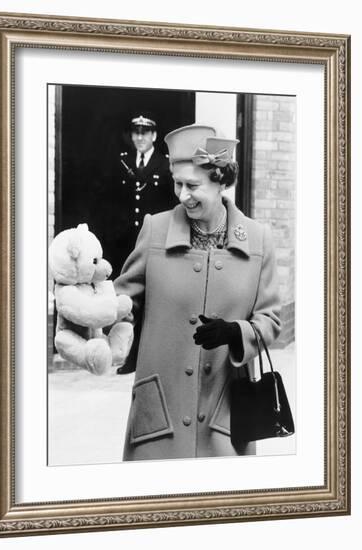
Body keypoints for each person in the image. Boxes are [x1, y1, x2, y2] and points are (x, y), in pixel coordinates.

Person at [114, 124, 281, 460]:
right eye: (177, 184)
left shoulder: (259, 239)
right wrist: (100, 317)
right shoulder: (155, 230)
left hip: (225, 414)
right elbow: (122, 303)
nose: (181, 194)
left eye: (192, 185)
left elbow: (270, 320)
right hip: (160, 412)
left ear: (221, 182)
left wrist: (237, 332)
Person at [113, 113, 177, 374]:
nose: (139, 137)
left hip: (154, 242)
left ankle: (145, 354)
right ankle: (128, 355)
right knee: (127, 299)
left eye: (145, 132)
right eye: (135, 132)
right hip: (127, 242)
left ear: (154, 136)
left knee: (151, 298)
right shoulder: (123, 162)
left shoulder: (165, 165)